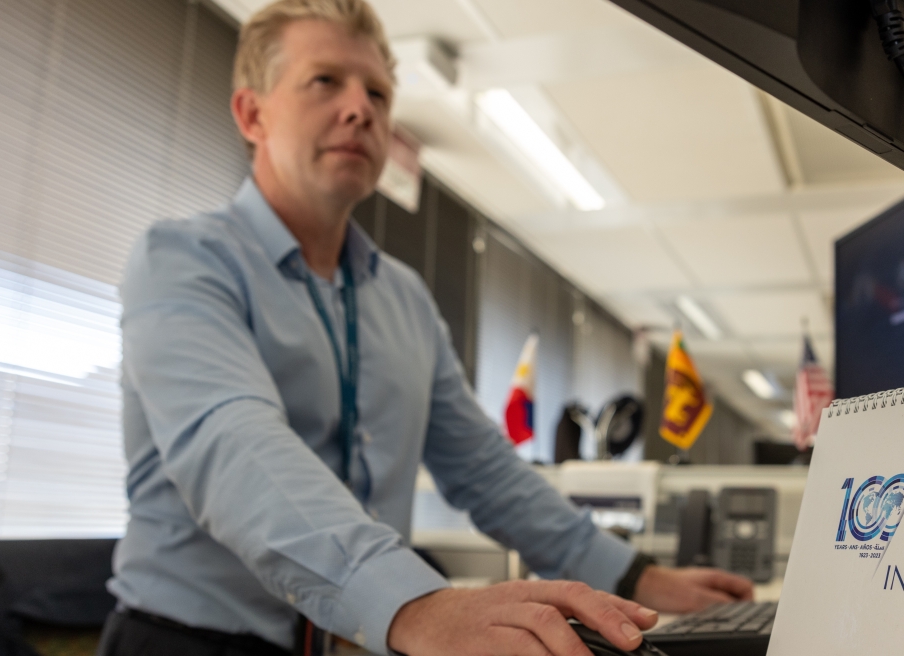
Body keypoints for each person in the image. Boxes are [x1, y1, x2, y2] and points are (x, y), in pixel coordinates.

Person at [96, 1, 753, 655]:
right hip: (188, 641)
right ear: (252, 113)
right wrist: (411, 604)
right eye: (325, 81)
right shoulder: (180, 260)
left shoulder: (403, 298)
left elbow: (484, 470)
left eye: (378, 92)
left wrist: (637, 576)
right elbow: (231, 443)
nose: (362, 108)